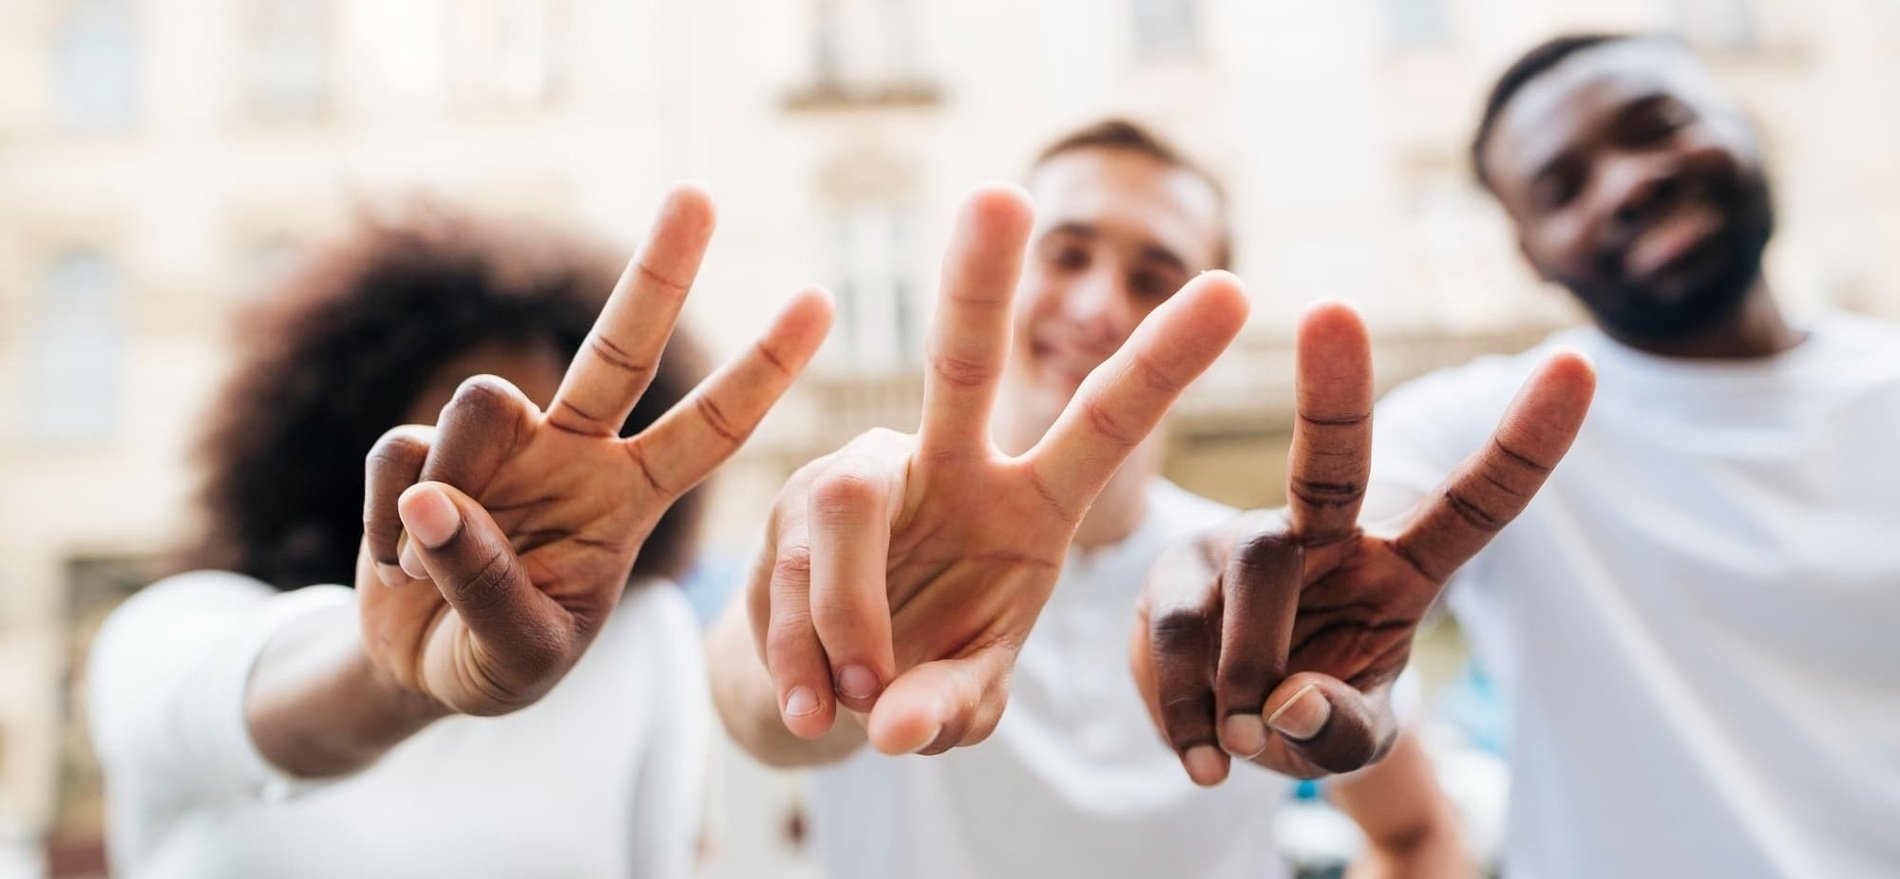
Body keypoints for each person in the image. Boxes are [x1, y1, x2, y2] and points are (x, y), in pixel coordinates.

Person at [1135, 33, 1900, 878]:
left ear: (1743, 125)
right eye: (1563, 186)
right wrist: (1263, 586)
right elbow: (1377, 516)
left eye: (1658, 124)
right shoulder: (1486, 427)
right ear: (1529, 251)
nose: (1629, 180)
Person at [708, 121, 1472, 878]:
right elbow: (754, 708)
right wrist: (831, 653)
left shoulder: (1256, 570)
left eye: (1155, 275)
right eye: (1066, 254)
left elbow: (1417, 836)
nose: (1098, 307)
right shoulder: (876, 528)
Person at [86, 186, 833, 879]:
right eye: (471, 420)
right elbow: (252, 708)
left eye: (559, 432)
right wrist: (387, 677)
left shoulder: (640, 638)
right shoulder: (170, 629)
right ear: (353, 433)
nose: (524, 477)